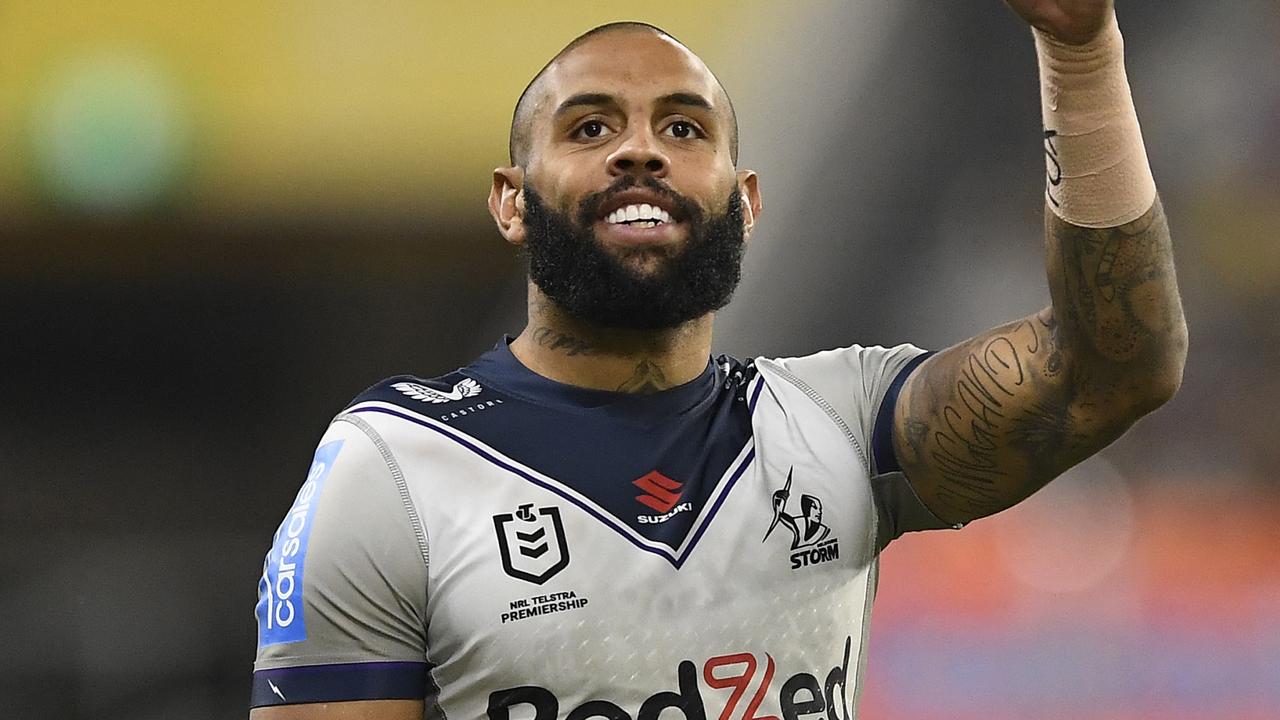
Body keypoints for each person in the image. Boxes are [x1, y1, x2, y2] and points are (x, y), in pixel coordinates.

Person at [250, 2, 1187, 717]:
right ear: (509, 199)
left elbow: (1112, 369)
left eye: (684, 129)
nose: (640, 153)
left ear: (744, 202)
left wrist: (1080, 49)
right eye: (589, 129)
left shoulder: (839, 425)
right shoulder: (391, 469)